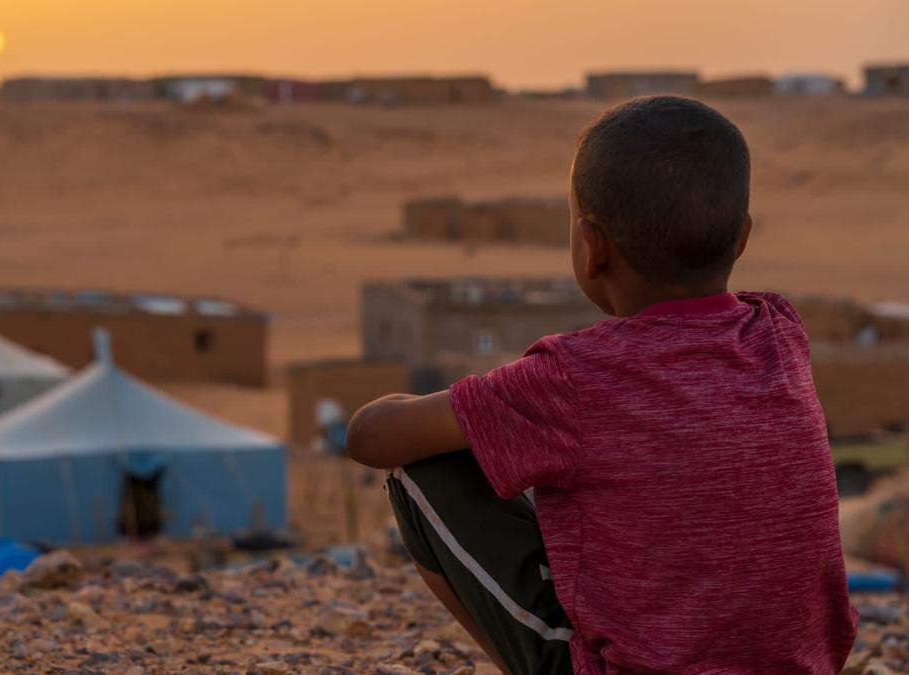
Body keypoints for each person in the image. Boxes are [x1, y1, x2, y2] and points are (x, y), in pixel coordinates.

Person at [346, 96, 857, 674]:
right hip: (803, 666)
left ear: (592, 247)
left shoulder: (576, 377)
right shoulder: (779, 330)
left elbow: (371, 436)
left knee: (426, 475)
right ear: (741, 239)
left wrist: (466, 412)